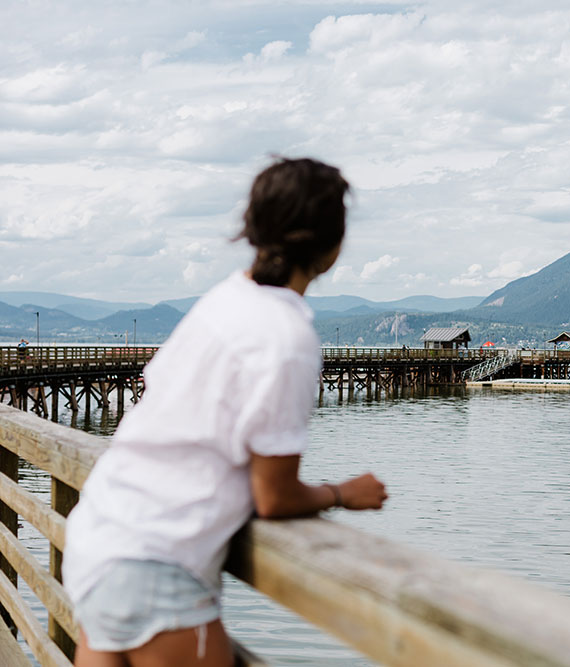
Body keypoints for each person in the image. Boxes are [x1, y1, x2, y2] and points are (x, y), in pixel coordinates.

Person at [63, 157, 388, 667]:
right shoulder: (286, 337)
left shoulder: (222, 301)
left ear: (254, 231)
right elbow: (274, 496)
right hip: (157, 562)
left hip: (98, 537)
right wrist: (343, 493)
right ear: (333, 248)